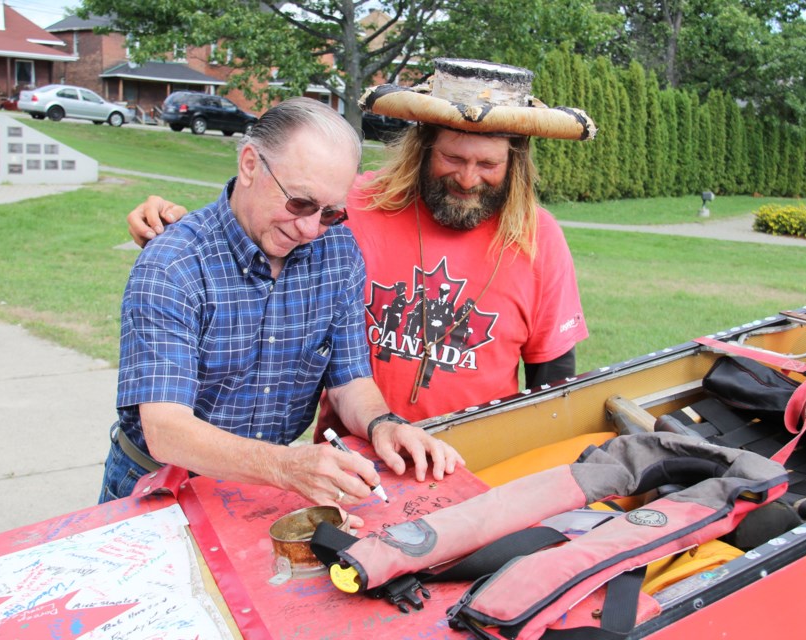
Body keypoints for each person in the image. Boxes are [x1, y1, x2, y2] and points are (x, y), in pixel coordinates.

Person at [126, 59, 594, 432]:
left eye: (488, 164)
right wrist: (172, 223)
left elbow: (552, 380)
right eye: (453, 157)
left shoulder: (539, 237)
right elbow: (266, 204)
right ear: (423, 146)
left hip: (477, 455)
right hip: (352, 457)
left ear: (514, 164)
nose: (468, 179)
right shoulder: (350, 204)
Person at [102, 97, 462, 527]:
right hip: (160, 486)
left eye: (330, 212)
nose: (311, 229)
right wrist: (285, 467)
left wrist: (383, 424)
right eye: (300, 204)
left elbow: (349, 379)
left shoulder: (338, 251)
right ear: (251, 165)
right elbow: (167, 430)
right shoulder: (174, 264)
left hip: (264, 485)